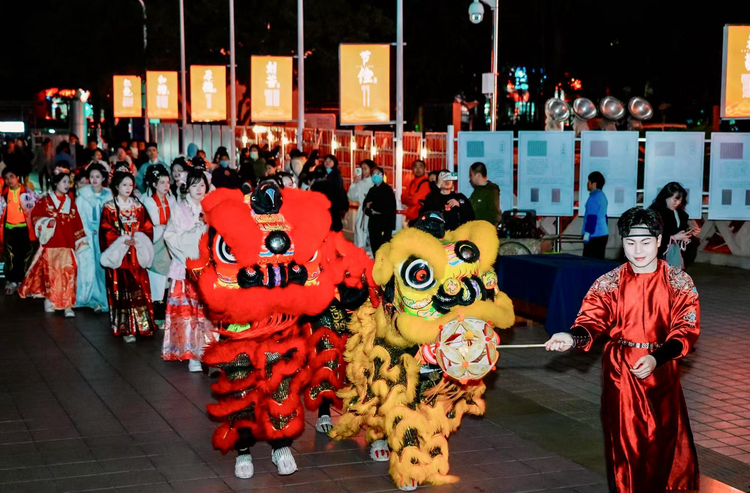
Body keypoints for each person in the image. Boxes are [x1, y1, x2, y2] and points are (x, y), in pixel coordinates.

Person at [545, 207, 700, 493]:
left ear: (660, 241)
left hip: (662, 369)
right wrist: (572, 337)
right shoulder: (609, 283)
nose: (637, 250)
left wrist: (656, 358)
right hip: (622, 372)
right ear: (622, 242)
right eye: (630, 242)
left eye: (645, 242)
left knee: (662, 441)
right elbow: (591, 321)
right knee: (626, 445)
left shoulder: (679, 283)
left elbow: (685, 330)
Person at [162, 170, 216, 372]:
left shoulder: (212, 207)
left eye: (202, 185)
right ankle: (192, 354)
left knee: (206, 312)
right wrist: (192, 235)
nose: (199, 189)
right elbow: (170, 236)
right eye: (194, 185)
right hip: (185, 267)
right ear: (187, 188)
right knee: (190, 312)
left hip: (208, 268)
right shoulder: (178, 208)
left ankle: (209, 350)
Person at [18, 167, 87, 318]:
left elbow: (77, 223)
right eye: (63, 182)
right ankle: (51, 301)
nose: (67, 185)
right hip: (51, 244)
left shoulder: (71, 202)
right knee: (51, 275)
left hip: (67, 244)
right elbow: (35, 217)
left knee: (68, 275)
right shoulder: (45, 202)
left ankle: (68, 305)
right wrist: (45, 224)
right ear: (56, 183)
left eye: (68, 182)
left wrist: (80, 241)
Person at [100, 171, 156, 343]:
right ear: (116, 187)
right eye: (124, 185)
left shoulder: (138, 206)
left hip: (136, 256)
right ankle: (126, 328)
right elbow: (106, 231)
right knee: (122, 291)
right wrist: (122, 240)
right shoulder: (109, 207)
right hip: (121, 258)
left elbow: (147, 228)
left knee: (139, 289)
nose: (128, 188)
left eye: (130, 185)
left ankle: (143, 325)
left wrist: (139, 239)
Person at [75, 163, 113, 312]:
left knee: (104, 267)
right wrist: (89, 232)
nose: (94, 179)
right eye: (92, 177)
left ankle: (105, 299)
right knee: (90, 267)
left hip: (105, 237)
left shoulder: (108, 196)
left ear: (103, 178)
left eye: (98, 176)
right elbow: (79, 218)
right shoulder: (83, 196)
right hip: (89, 237)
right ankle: (93, 298)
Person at [142, 165, 176, 324]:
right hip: (157, 241)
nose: (166, 185)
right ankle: (156, 311)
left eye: (167, 182)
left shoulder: (171, 198)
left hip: (169, 239)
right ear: (154, 184)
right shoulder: (148, 200)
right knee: (157, 275)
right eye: (162, 182)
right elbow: (155, 223)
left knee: (168, 277)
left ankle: (166, 310)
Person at [0, 167, 38, 295]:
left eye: (11, 177)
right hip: (9, 229)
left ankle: (23, 281)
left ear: (17, 178)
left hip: (24, 229)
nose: (9, 180)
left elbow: (36, 208)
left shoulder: (28, 194)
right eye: (6, 178)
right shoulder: (4, 195)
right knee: (10, 256)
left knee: (25, 256)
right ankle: (11, 280)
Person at [649, 182, 701, 269]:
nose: (677, 203)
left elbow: (680, 230)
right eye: (675, 200)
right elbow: (651, 236)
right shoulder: (654, 213)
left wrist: (689, 232)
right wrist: (673, 237)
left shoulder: (680, 213)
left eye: (680, 200)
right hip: (659, 257)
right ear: (666, 196)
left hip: (677, 255)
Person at [362, 167, 396, 255]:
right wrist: (369, 209)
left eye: (377, 173)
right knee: (375, 247)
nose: (375, 176)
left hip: (384, 223)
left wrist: (372, 205)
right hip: (373, 222)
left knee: (383, 248)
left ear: (382, 175)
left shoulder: (387, 190)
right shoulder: (372, 190)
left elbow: (386, 206)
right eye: (373, 174)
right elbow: (365, 205)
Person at [347, 159, 375, 252]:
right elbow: (352, 197)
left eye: (365, 169)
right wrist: (354, 182)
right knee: (361, 237)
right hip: (362, 214)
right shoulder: (360, 183)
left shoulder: (375, 183)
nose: (363, 171)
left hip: (373, 214)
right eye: (362, 169)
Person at [310, 167, 349, 233]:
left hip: (317, 223)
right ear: (326, 175)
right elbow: (344, 204)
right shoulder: (335, 187)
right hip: (334, 221)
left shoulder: (311, 189)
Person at [581, 171, 609, 259]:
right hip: (603, 233)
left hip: (594, 236)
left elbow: (591, 218)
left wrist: (586, 235)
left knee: (589, 263)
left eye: (589, 181)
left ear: (594, 184)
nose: (587, 183)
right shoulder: (602, 196)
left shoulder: (593, 197)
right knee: (599, 262)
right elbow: (605, 217)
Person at [469, 162, 501, 227]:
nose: (470, 178)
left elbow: (494, 214)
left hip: (485, 230)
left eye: (471, 175)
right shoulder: (477, 190)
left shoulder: (491, 190)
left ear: (478, 175)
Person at [401, 159, 431, 224]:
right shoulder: (411, 182)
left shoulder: (426, 183)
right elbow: (403, 198)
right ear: (412, 169)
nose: (418, 169)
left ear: (424, 169)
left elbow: (415, 200)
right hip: (411, 217)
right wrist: (410, 198)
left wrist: (409, 198)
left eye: (420, 167)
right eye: (415, 167)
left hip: (420, 217)